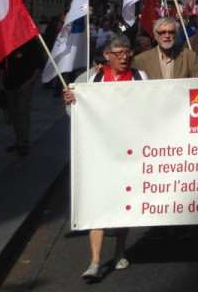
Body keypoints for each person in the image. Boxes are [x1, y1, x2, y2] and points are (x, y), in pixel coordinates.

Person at [63, 34, 145, 280]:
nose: (124, 57)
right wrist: (70, 100)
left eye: (127, 51)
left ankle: (120, 249)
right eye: (118, 53)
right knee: (97, 203)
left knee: (123, 202)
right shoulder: (92, 79)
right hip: (99, 152)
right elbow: (73, 111)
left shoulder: (141, 77)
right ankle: (95, 261)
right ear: (106, 56)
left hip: (129, 150)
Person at [0, 36, 44, 156]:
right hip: (10, 84)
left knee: (23, 111)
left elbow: (40, 63)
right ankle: (18, 139)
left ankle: (23, 142)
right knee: (14, 113)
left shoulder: (30, 42)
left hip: (25, 84)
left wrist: (31, 80)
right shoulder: (8, 41)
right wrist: (1, 82)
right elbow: (3, 64)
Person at [132, 17, 198, 79]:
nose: (167, 36)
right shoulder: (140, 60)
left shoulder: (190, 57)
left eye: (171, 32)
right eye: (162, 32)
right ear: (155, 36)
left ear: (176, 35)